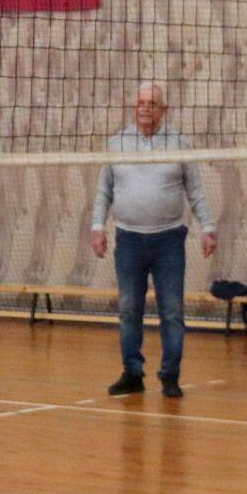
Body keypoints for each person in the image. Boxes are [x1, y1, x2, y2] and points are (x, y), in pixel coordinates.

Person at [88, 82, 216, 398]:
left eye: (152, 103)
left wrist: (207, 227)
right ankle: (132, 373)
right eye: (141, 102)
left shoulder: (180, 144)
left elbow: (196, 191)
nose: (145, 108)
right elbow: (104, 191)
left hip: (169, 240)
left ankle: (170, 376)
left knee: (171, 311)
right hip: (129, 239)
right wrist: (97, 227)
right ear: (135, 107)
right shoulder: (117, 143)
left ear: (163, 110)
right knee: (128, 309)